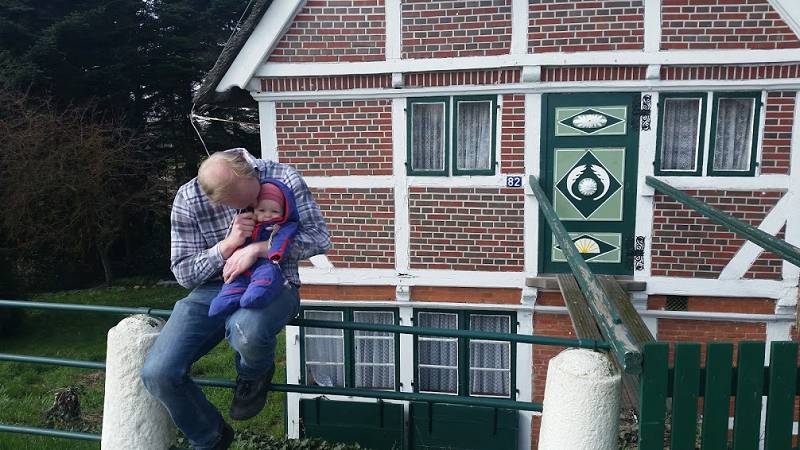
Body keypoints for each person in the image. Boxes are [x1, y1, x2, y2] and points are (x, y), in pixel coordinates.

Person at [141, 148, 330, 450]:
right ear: (216, 201)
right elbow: (184, 273)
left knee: (246, 328)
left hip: (275, 281)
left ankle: (253, 374)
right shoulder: (188, 198)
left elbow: (320, 237)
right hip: (214, 288)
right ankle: (210, 437)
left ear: (250, 172)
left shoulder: (283, 176)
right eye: (238, 205)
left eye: (252, 199)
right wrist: (226, 247)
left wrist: (259, 249)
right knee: (158, 373)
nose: (251, 208)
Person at [207, 179, 298, 317]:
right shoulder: (247, 222)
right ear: (254, 209)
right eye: (262, 210)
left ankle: (256, 295)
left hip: (266, 262)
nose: (268, 215)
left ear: (283, 211)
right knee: (234, 280)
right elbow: (237, 240)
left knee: (267, 275)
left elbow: (283, 239)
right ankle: (225, 300)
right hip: (242, 267)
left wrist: (275, 252)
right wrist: (235, 241)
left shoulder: (281, 227)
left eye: (274, 211)